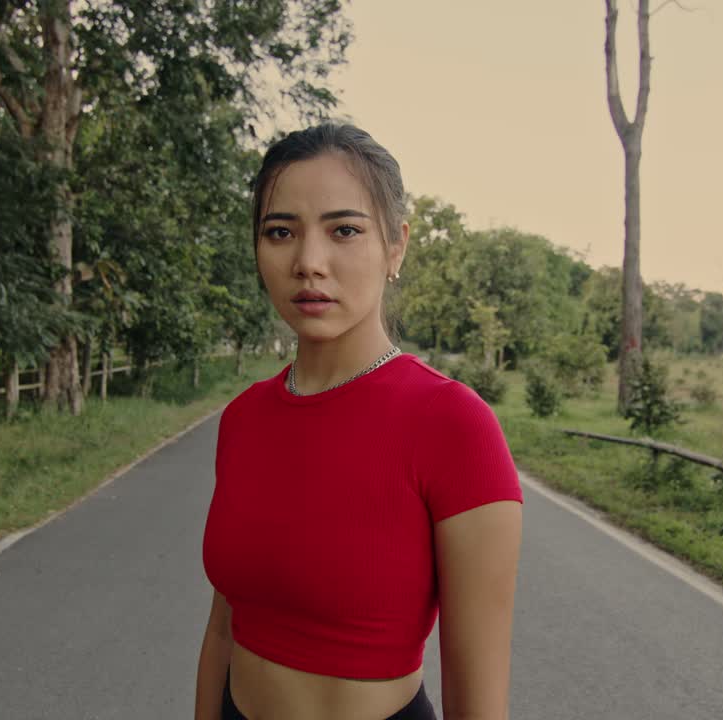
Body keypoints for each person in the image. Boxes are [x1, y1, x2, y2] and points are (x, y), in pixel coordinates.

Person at [195, 123, 524, 720]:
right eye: (280, 232)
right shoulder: (243, 418)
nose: (308, 263)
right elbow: (224, 627)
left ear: (395, 246)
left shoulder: (453, 425)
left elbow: (477, 701)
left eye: (344, 230)